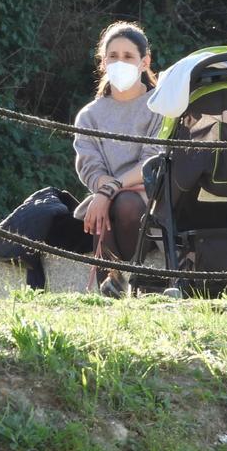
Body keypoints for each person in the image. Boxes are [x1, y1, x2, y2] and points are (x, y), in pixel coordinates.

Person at [72, 22, 164, 297]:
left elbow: (153, 162)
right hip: (104, 205)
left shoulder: (160, 108)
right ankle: (111, 286)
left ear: (144, 62)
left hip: (150, 206)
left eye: (128, 56)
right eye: (113, 56)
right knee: (109, 206)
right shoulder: (89, 116)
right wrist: (103, 190)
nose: (119, 62)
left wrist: (108, 190)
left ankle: (123, 282)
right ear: (102, 62)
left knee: (121, 203)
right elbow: (90, 166)